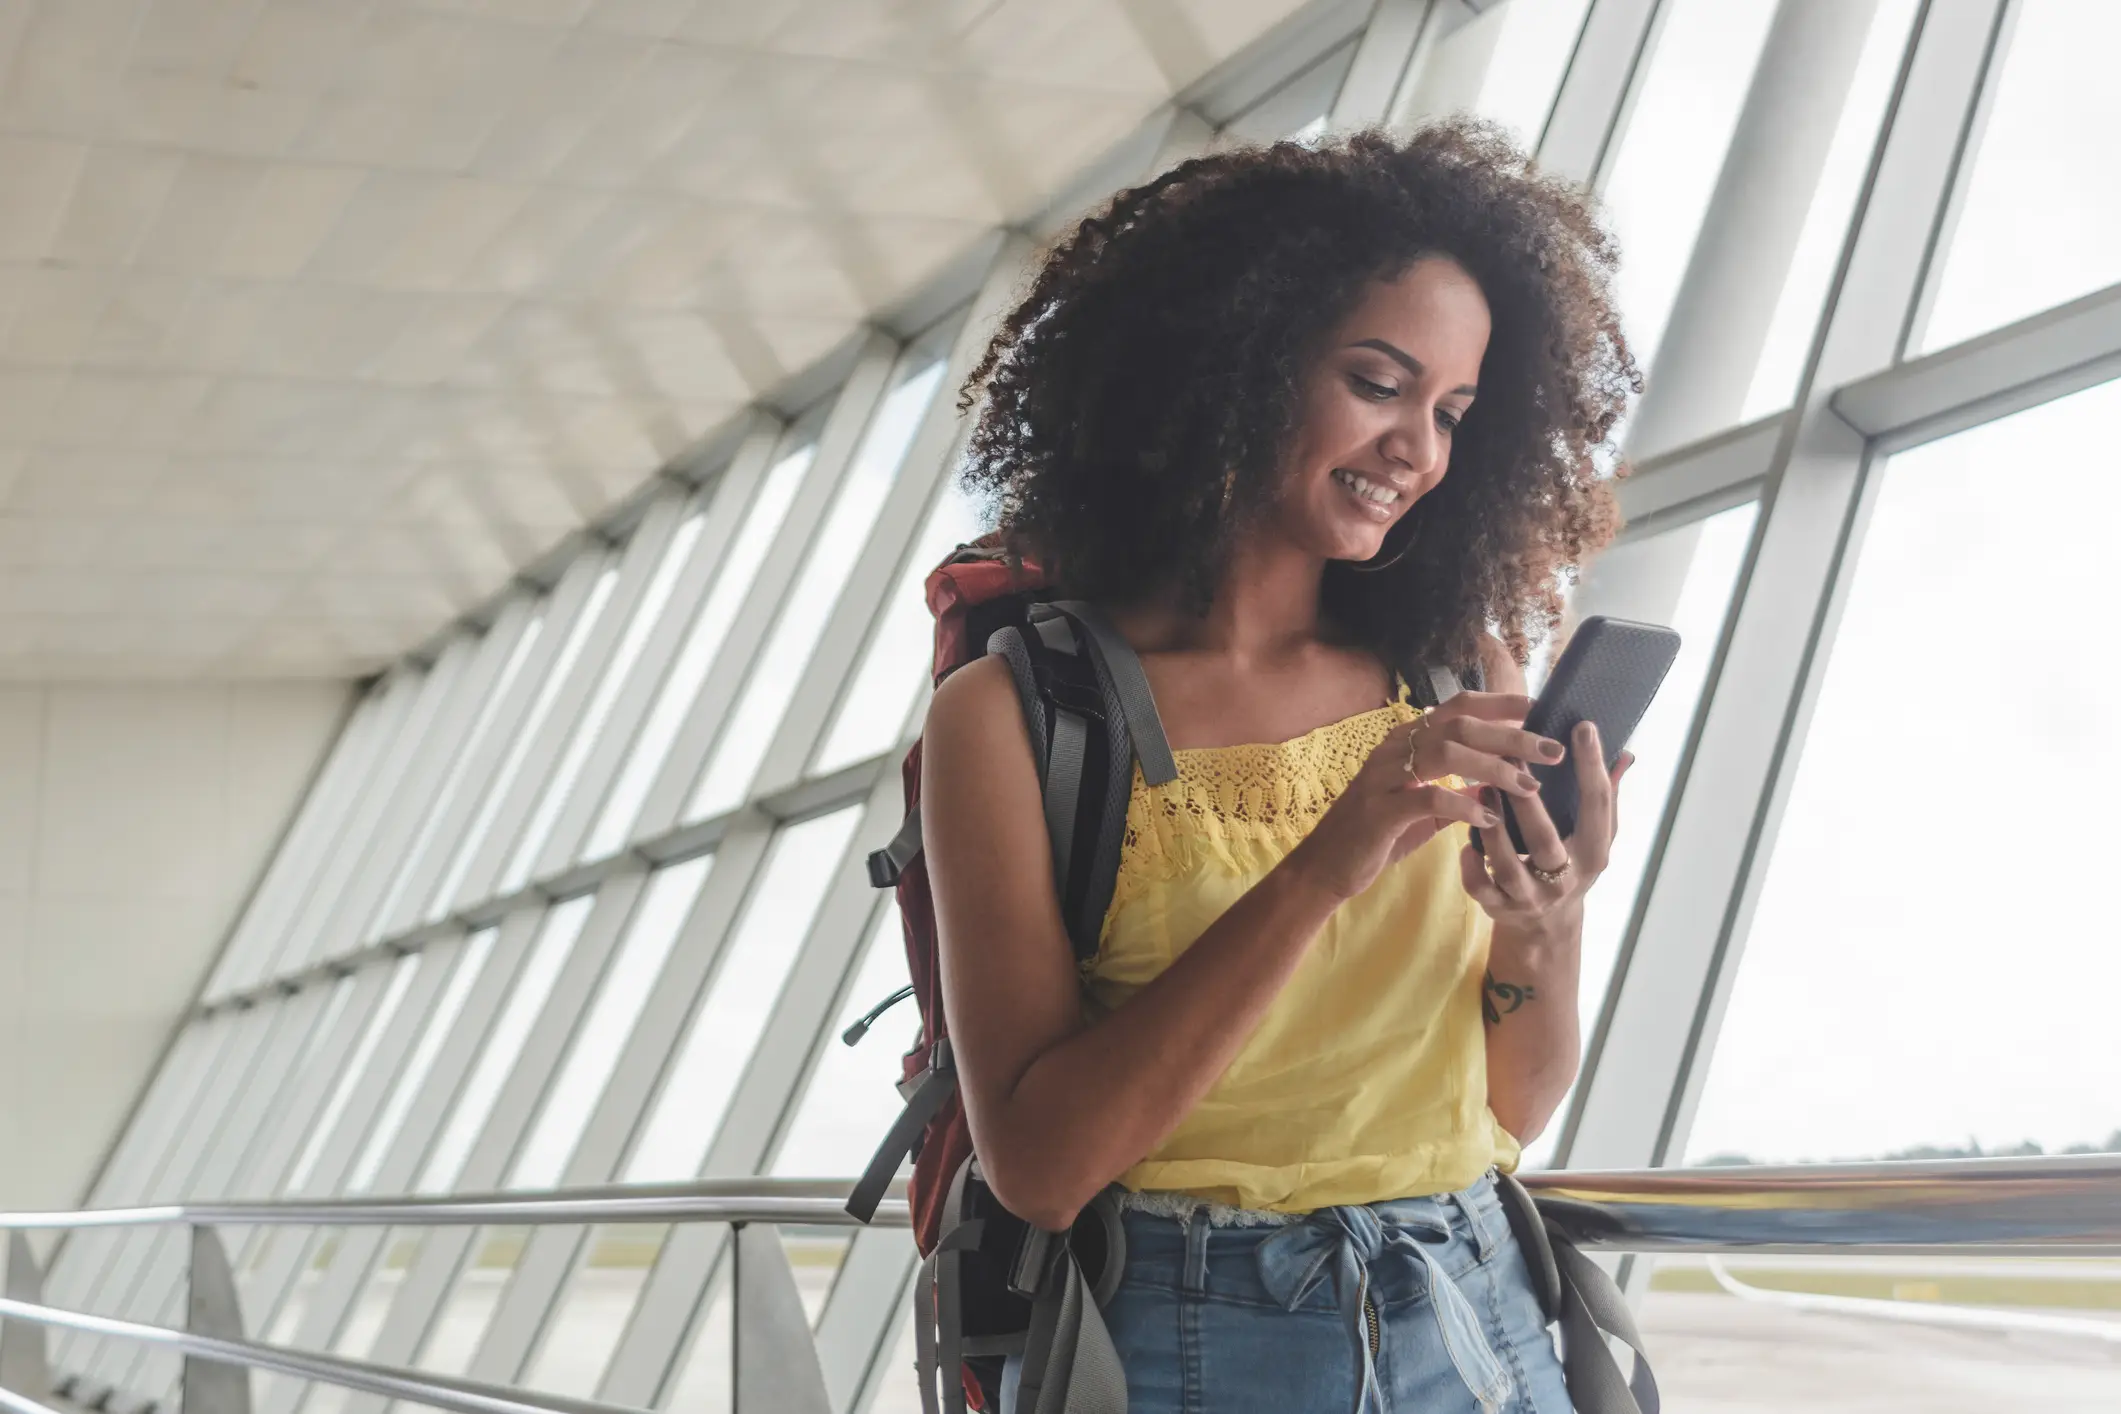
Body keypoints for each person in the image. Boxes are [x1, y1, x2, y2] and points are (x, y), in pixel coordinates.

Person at [919, 120, 1640, 1414]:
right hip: (1187, 1345)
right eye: (1377, 383)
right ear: (1235, 358)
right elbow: (1041, 1167)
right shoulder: (1018, 716)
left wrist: (1547, 922)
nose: (1419, 449)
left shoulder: (1452, 671)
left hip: (1481, 1312)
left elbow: (1516, 1105)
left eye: (1453, 413)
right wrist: (1325, 862)